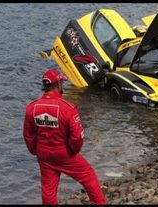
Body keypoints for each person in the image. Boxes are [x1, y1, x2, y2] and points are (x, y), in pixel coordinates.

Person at [23, 68, 106, 205]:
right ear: (58, 85)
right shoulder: (68, 108)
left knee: (49, 188)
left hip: (43, 153)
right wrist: (72, 151)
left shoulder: (31, 108)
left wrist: (36, 151)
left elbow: (28, 135)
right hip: (64, 152)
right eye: (62, 82)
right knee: (89, 177)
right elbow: (77, 137)